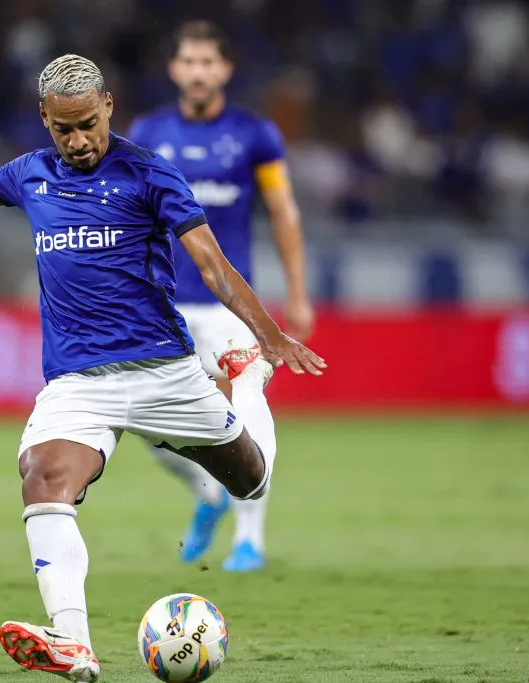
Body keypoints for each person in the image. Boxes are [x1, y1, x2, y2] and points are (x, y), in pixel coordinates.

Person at [0, 53, 325, 683]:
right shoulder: (31, 175)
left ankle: (246, 380)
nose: (78, 141)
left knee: (251, 482)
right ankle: (74, 645)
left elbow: (212, 266)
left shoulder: (149, 175)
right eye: (63, 129)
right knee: (42, 476)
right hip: (80, 382)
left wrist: (268, 339)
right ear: (44, 122)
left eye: (88, 124)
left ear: (108, 106)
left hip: (167, 373)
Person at [127, 20, 314, 573]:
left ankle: (249, 538)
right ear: (174, 70)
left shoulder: (257, 135)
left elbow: (282, 212)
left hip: (230, 304)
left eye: (209, 62)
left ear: (225, 69)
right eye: (189, 61)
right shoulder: (148, 131)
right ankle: (209, 492)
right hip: (167, 304)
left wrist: (298, 293)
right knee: (144, 418)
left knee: (246, 392)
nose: (199, 71)